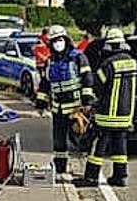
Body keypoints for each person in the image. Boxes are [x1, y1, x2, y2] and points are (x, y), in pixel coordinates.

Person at [35, 24, 95, 181]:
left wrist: (87, 101)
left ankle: (89, 172)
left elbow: (87, 79)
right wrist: (41, 103)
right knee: (59, 141)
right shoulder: (50, 61)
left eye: (60, 40)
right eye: (54, 41)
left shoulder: (78, 57)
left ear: (66, 40)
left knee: (81, 140)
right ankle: (60, 168)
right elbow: (45, 84)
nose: (57, 43)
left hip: (76, 108)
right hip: (58, 109)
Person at [81, 27, 137, 187]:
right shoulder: (132, 63)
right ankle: (120, 177)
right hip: (125, 114)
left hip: (107, 115)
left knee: (98, 146)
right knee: (120, 148)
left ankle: (91, 177)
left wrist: (90, 102)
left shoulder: (108, 65)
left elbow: (98, 87)